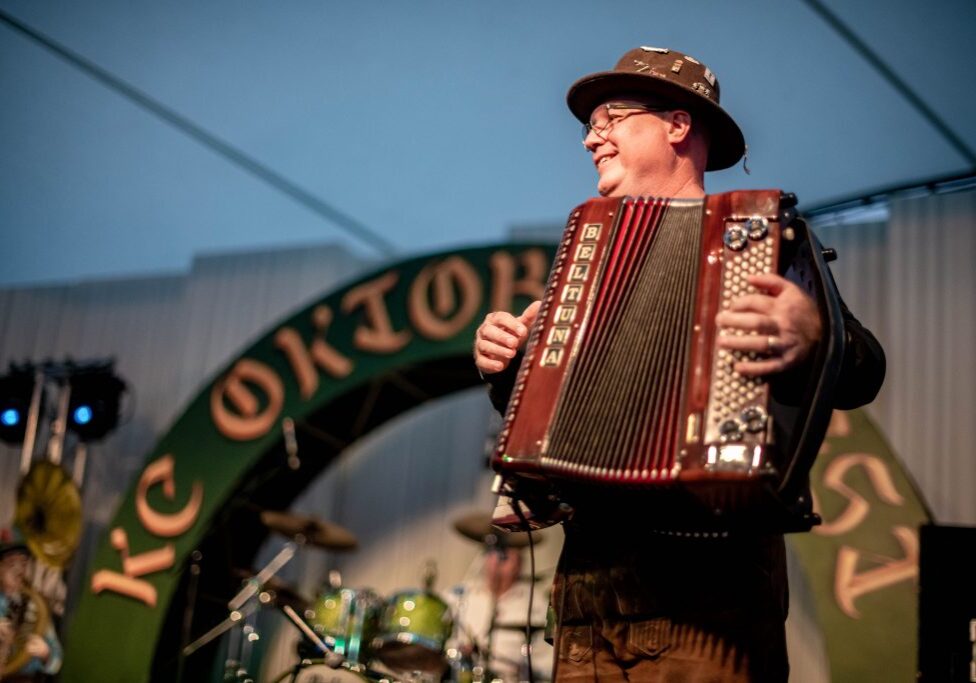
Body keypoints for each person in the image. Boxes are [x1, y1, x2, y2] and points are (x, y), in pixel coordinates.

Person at [473, 46, 885, 682]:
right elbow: (548, 425)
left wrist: (815, 333)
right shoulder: (587, 250)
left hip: (708, 603)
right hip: (587, 599)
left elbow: (864, 369)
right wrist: (507, 368)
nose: (590, 140)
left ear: (677, 124)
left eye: (610, 119)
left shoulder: (756, 236)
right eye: (590, 126)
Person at [445, 514, 552, 682]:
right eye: (491, 552)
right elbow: (436, 644)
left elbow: (547, 663)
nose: (496, 561)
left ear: (519, 563)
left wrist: (526, 668)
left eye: (505, 555)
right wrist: (456, 651)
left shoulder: (537, 605)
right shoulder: (459, 595)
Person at [0, 534, 62, 682]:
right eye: (11, 563)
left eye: (23, 563)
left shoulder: (36, 604)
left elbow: (57, 656)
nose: (19, 570)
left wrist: (46, 654)